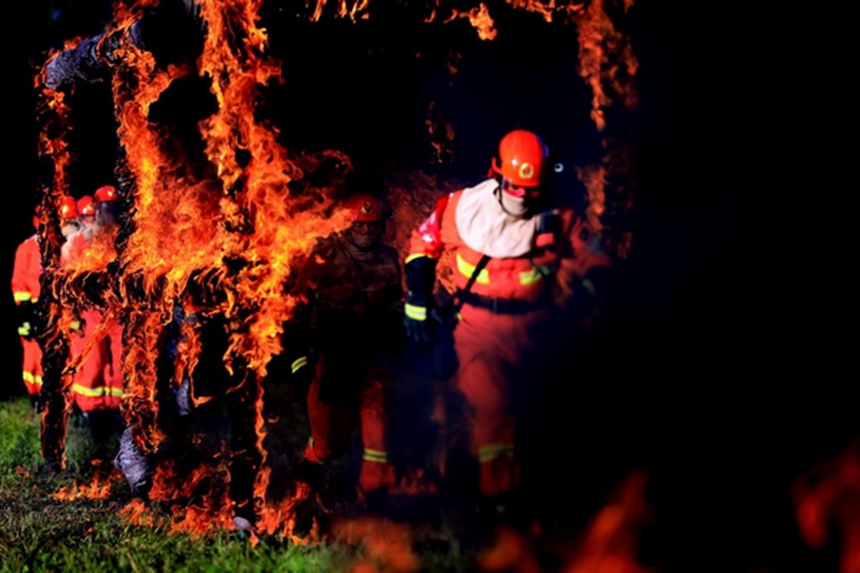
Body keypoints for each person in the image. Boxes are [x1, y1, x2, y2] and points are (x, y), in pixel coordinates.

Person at [402, 129, 614, 526]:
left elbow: (597, 266)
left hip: (540, 333)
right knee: (494, 407)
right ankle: (499, 506)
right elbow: (423, 242)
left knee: (543, 416)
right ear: (495, 172)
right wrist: (417, 299)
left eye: (530, 188)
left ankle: (551, 504)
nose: (521, 196)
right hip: (478, 334)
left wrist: (581, 307)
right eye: (514, 186)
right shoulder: (462, 209)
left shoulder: (561, 219)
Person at [285, 191, 405, 510]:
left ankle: (376, 501)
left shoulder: (389, 260)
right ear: (346, 227)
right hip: (332, 356)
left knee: (378, 429)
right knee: (327, 441)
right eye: (359, 226)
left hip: (372, 359)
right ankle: (302, 487)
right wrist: (299, 364)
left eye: (373, 226)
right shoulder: (323, 257)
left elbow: (394, 308)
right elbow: (294, 312)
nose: (366, 233)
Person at [61, 185, 125, 451]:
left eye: (113, 208)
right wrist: (72, 316)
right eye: (104, 208)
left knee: (122, 363)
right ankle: (93, 416)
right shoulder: (78, 244)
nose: (108, 214)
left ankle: (118, 413)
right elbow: (67, 286)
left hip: (118, 312)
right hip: (91, 313)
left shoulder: (123, 238)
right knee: (94, 363)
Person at [12, 197, 81, 409]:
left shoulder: (62, 247)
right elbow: (19, 282)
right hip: (34, 312)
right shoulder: (27, 248)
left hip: (58, 310)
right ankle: (36, 397)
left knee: (63, 353)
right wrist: (26, 310)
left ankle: (60, 396)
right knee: (34, 356)